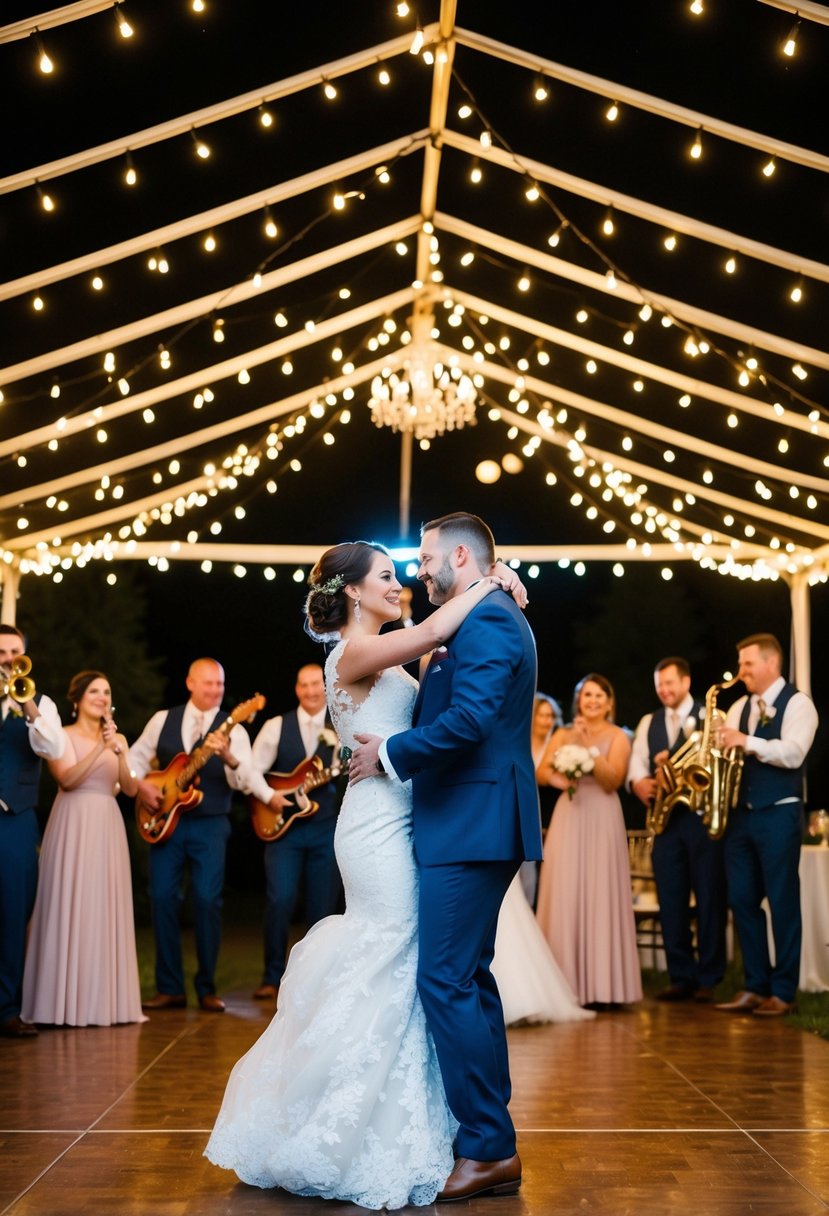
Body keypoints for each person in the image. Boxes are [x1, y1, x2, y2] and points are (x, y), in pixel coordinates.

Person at [206, 528, 535, 1208]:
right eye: (386, 574)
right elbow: (443, 624)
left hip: (413, 816)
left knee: (422, 967)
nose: (400, 581)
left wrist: (492, 581)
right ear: (351, 591)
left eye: (404, 570)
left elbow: (444, 656)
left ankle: (425, 1123)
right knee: (399, 956)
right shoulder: (352, 651)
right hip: (377, 826)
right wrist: (491, 579)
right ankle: (346, 1120)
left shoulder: (393, 652)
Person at [349, 513, 541, 1202]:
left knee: (444, 981)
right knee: (469, 979)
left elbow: (471, 720)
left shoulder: (486, 620)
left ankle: (488, 1144)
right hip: (467, 821)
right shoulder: (479, 611)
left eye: (427, 558)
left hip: (471, 821)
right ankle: (490, 1137)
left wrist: (390, 753)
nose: (418, 571)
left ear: (460, 556)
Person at [21, 671, 145, 1026]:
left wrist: (119, 751)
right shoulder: (62, 736)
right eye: (94, 691)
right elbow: (66, 778)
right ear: (76, 700)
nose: (101, 697)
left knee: (102, 908)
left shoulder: (116, 739)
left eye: (106, 691)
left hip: (107, 825)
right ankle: (58, 1005)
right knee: (67, 904)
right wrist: (100, 752)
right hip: (72, 823)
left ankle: (103, 1003)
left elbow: (131, 789)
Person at [128, 658, 251, 1013]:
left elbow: (243, 782)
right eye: (209, 683)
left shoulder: (235, 730)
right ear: (190, 683)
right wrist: (140, 787)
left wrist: (229, 757)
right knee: (163, 897)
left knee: (207, 901)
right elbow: (136, 758)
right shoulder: (162, 719)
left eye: (220, 684)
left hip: (211, 824)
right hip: (166, 823)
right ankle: (170, 988)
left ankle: (207, 987)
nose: (215, 690)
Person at [715, 633, 818, 1017]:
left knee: (781, 899)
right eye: (741, 664)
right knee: (741, 899)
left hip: (779, 812)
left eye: (748, 664)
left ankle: (784, 991)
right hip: (741, 816)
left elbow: (792, 754)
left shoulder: (799, 704)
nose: (741, 672)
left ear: (772, 663)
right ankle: (755, 985)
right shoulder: (740, 705)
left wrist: (747, 741)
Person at [536, 673, 643, 1009]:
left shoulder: (619, 736)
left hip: (603, 817)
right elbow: (540, 771)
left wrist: (588, 749)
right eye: (587, 695)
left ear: (609, 702)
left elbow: (613, 780)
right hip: (570, 814)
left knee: (601, 891)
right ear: (578, 701)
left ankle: (605, 987)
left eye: (599, 696)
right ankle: (563, 986)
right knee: (565, 891)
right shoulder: (563, 732)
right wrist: (560, 779)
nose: (592, 701)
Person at [239, 663, 343, 1001]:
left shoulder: (340, 722)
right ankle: (272, 976)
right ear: (297, 689)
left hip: (326, 826)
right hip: (285, 830)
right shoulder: (274, 726)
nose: (311, 690)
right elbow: (252, 771)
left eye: (316, 684)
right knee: (280, 900)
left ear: (325, 687)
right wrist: (271, 796)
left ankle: (316, 980)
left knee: (323, 907)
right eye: (304, 685)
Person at [627, 657, 727, 1002]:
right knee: (671, 899)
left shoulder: (710, 717)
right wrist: (638, 782)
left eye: (670, 683)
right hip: (666, 822)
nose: (664, 690)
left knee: (709, 896)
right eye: (660, 685)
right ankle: (680, 975)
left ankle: (710, 978)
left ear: (686, 682)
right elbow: (636, 762)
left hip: (701, 818)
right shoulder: (648, 721)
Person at [0, 625, 66, 1039]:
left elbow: (55, 749)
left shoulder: (40, 703)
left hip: (16, 820)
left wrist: (27, 708)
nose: (8, 658)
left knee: (12, 912)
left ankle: (7, 1008)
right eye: (2, 651)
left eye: (15, 651)